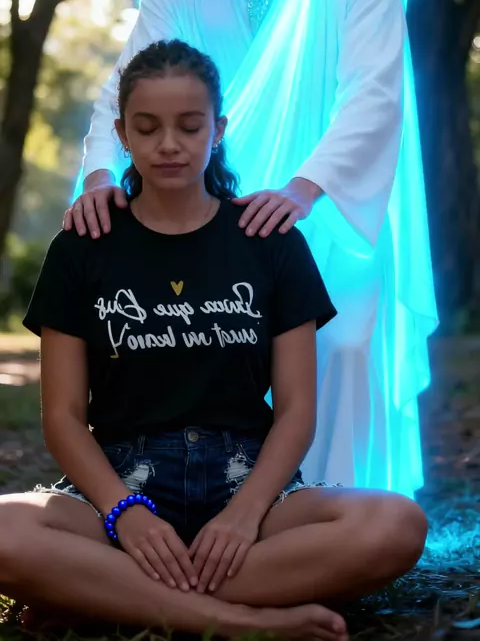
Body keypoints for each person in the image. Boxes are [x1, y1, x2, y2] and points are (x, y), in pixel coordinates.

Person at [64, 0, 438, 497]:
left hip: (330, 203)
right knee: (223, 361)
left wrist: (304, 191)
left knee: (341, 342)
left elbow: (373, 92)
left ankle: (339, 517)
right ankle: (234, 512)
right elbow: (124, 87)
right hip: (221, 213)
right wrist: (97, 177)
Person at [0, 40, 427, 639]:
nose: (168, 144)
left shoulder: (270, 241)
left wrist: (244, 515)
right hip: (119, 483)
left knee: (396, 524)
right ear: (121, 134)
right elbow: (64, 419)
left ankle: (103, 592)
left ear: (219, 129)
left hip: (249, 480)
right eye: (147, 127)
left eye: (189, 125)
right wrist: (125, 513)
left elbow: (296, 411)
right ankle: (234, 620)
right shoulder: (83, 246)